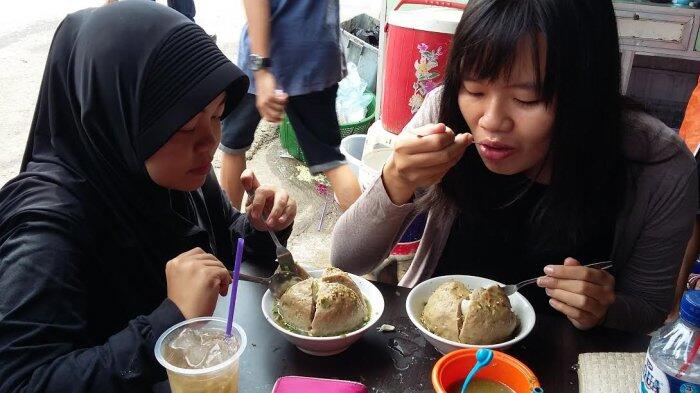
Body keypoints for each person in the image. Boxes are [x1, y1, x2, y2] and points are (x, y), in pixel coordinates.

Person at [331, 0, 697, 334]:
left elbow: (650, 308)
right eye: (474, 90)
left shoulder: (658, 167)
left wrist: (605, 307)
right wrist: (397, 179)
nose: (491, 121)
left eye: (526, 98)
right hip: (434, 343)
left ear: (586, 91)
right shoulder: (445, 115)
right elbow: (346, 259)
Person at [0, 2, 296, 391]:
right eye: (186, 125)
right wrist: (168, 321)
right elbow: (21, 381)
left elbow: (220, 251)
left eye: (216, 115)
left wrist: (258, 230)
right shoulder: (47, 231)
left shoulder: (177, 176)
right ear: (116, 117)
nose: (210, 142)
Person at [218, 0, 361, 211]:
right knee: (332, 160)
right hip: (319, 50)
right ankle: (370, 241)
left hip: (271, 50)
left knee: (232, 147)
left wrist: (261, 68)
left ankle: (224, 237)